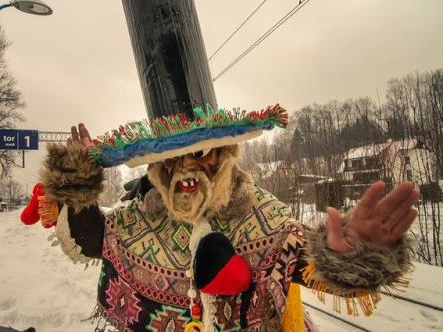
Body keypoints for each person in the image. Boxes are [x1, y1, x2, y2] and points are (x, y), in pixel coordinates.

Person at [31, 1, 417, 330]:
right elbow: (93, 239)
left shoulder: (265, 218)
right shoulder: (139, 217)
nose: (186, 169)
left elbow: (310, 262)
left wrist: (354, 253)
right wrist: (76, 183)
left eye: (201, 153)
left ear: (224, 156)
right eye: (172, 157)